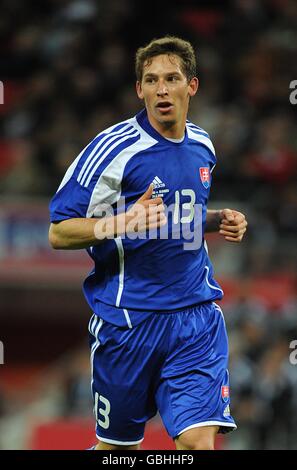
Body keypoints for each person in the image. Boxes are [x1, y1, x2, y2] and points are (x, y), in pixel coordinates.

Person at [49, 36, 247, 451]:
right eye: (151, 80)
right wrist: (122, 221)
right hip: (129, 322)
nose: (161, 89)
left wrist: (217, 220)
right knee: (117, 450)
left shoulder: (203, 146)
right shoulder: (113, 151)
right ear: (139, 89)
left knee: (197, 443)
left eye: (172, 78)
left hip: (196, 318)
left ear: (191, 86)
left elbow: (177, 220)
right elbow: (58, 231)